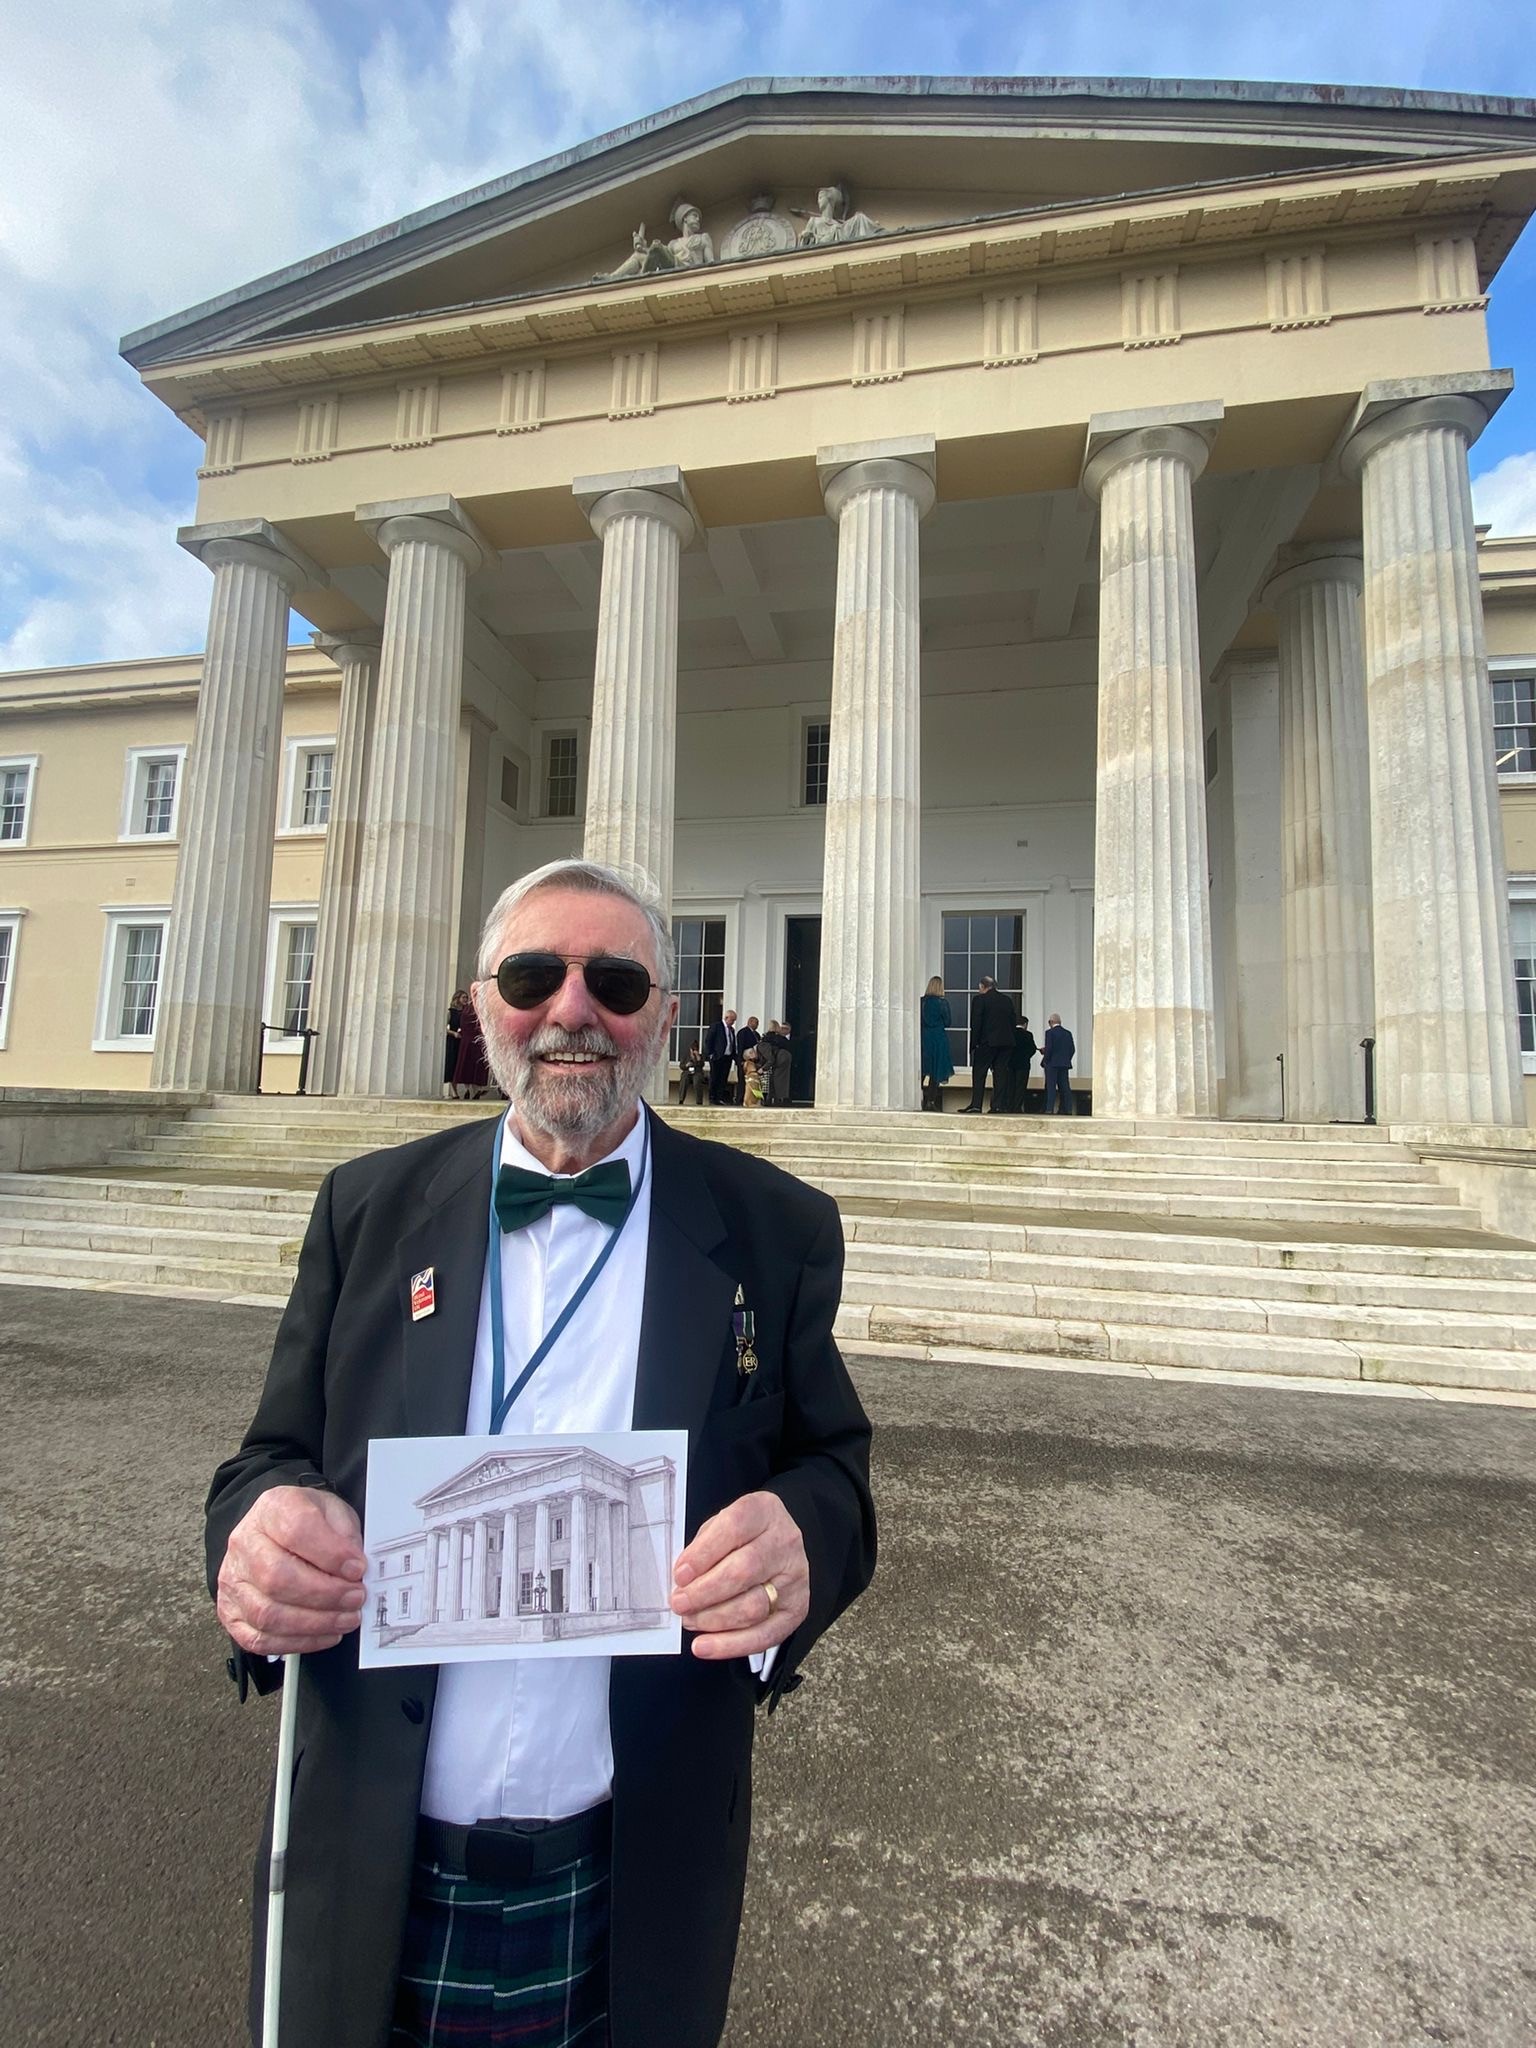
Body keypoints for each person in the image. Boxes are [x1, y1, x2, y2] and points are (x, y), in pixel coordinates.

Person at [206, 857, 875, 2048]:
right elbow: (268, 1457)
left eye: (616, 980)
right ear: (482, 1003)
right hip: (376, 1846)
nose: (574, 1009)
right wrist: (255, 1540)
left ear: (666, 1014)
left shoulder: (775, 1227)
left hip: (632, 1864)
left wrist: (804, 1543)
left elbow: (833, 1466)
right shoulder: (365, 1209)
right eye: (535, 974)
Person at [959, 975, 1016, 1114]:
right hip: (1006, 1043)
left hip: (987, 1042)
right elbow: (1012, 1021)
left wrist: (973, 1044)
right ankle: (997, 1105)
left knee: (979, 1073)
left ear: (982, 986)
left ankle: (976, 1105)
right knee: (1000, 1074)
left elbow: (976, 1023)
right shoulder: (1007, 1000)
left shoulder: (980, 1000)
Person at [919, 975, 953, 1111]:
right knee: (936, 1070)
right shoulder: (942, 1003)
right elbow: (948, 1021)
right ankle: (930, 1101)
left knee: (922, 1068)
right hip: (938, 1037)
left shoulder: (921, 1002)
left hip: (924, 1036)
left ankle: (919, 1096)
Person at [996, 1015, 1039, 1116]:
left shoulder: (1010, 1034)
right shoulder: (1028, 1035)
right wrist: (1026, 1056)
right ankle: (1017, 1107)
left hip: (1010, 1064)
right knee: (1020, 1087)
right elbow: (1032, 1049)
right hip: (1023, 1065)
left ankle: (1009, 1106)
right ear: (1025, 1024)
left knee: (1010, 1086)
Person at [1041, 1012, 1076, 1115]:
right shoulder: (1068, 1033)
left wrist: (1045, 1060)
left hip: (1052, 1064)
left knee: (1051, 1087)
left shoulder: (1049, 1033)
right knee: (1065, 1087)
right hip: (1064, 1064)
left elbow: (1050, 1049)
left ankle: (1049, 1108)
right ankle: (1067, 1108)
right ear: (1060, 1022)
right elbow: (1072, 1049)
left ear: (1050, 1022)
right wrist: (1066, 1059)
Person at [705, 1008, 738, 1105]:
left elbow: (731, 1043)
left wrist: (734, 1057)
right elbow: (708, 1041)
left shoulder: (731, 1030)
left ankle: (719, 1097)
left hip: (727, 1057)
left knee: (723, 1078)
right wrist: (710, 1054)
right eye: (732, 1020)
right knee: (715, 1077)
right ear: (727, 1018)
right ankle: (712, 1097)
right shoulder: (716, 1026)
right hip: (717, 1056)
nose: (733, 1022)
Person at [760, 1021, 792, 1106]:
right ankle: (779, 1099)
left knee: (776, 1078)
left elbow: (771, 1058)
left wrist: (763, 1068)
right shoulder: (780, 1038)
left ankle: (776, 1099)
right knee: (780, 1079)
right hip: (783, 1057)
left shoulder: (764, 1042)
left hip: (779, 1058)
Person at [444, 991, 467, 1093]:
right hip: (453, 1041)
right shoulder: (451, 1012)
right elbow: (443, 1027)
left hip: (463, 1040)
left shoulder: (466, 1012)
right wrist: (453, 1033)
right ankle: (454, 1091)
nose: (465, 999)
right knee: (453, 1064)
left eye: (466, 997)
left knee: (461, 1064)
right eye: (463, 997)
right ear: (457, 999)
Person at [734, 1016, 761, 1104]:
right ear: (750, 1022)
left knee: (753, 1081)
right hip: (744, 1061)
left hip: (753, 1062)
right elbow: (740, 1047)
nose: (757, 1025)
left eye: (758, 1023)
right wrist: (740, 1061)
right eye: (755, 1022)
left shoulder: (757, 1034)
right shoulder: (743, 1032)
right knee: (742, 1081)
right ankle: (740, 1100)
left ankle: (753, 1099)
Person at [676, 1038, 707, 1106]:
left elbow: (702, 1065)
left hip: (697, 1073)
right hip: (687, 1072)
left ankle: (699, 1101)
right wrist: (687, 1065)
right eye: (693, 1049)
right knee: (684, 1079)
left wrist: (698, 1057)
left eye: (695, 1049)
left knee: (697, 1081)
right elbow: (681, 1066)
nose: (694, 1051)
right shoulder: (685, 1056)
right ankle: (681, 1099)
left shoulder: (700, 1056)